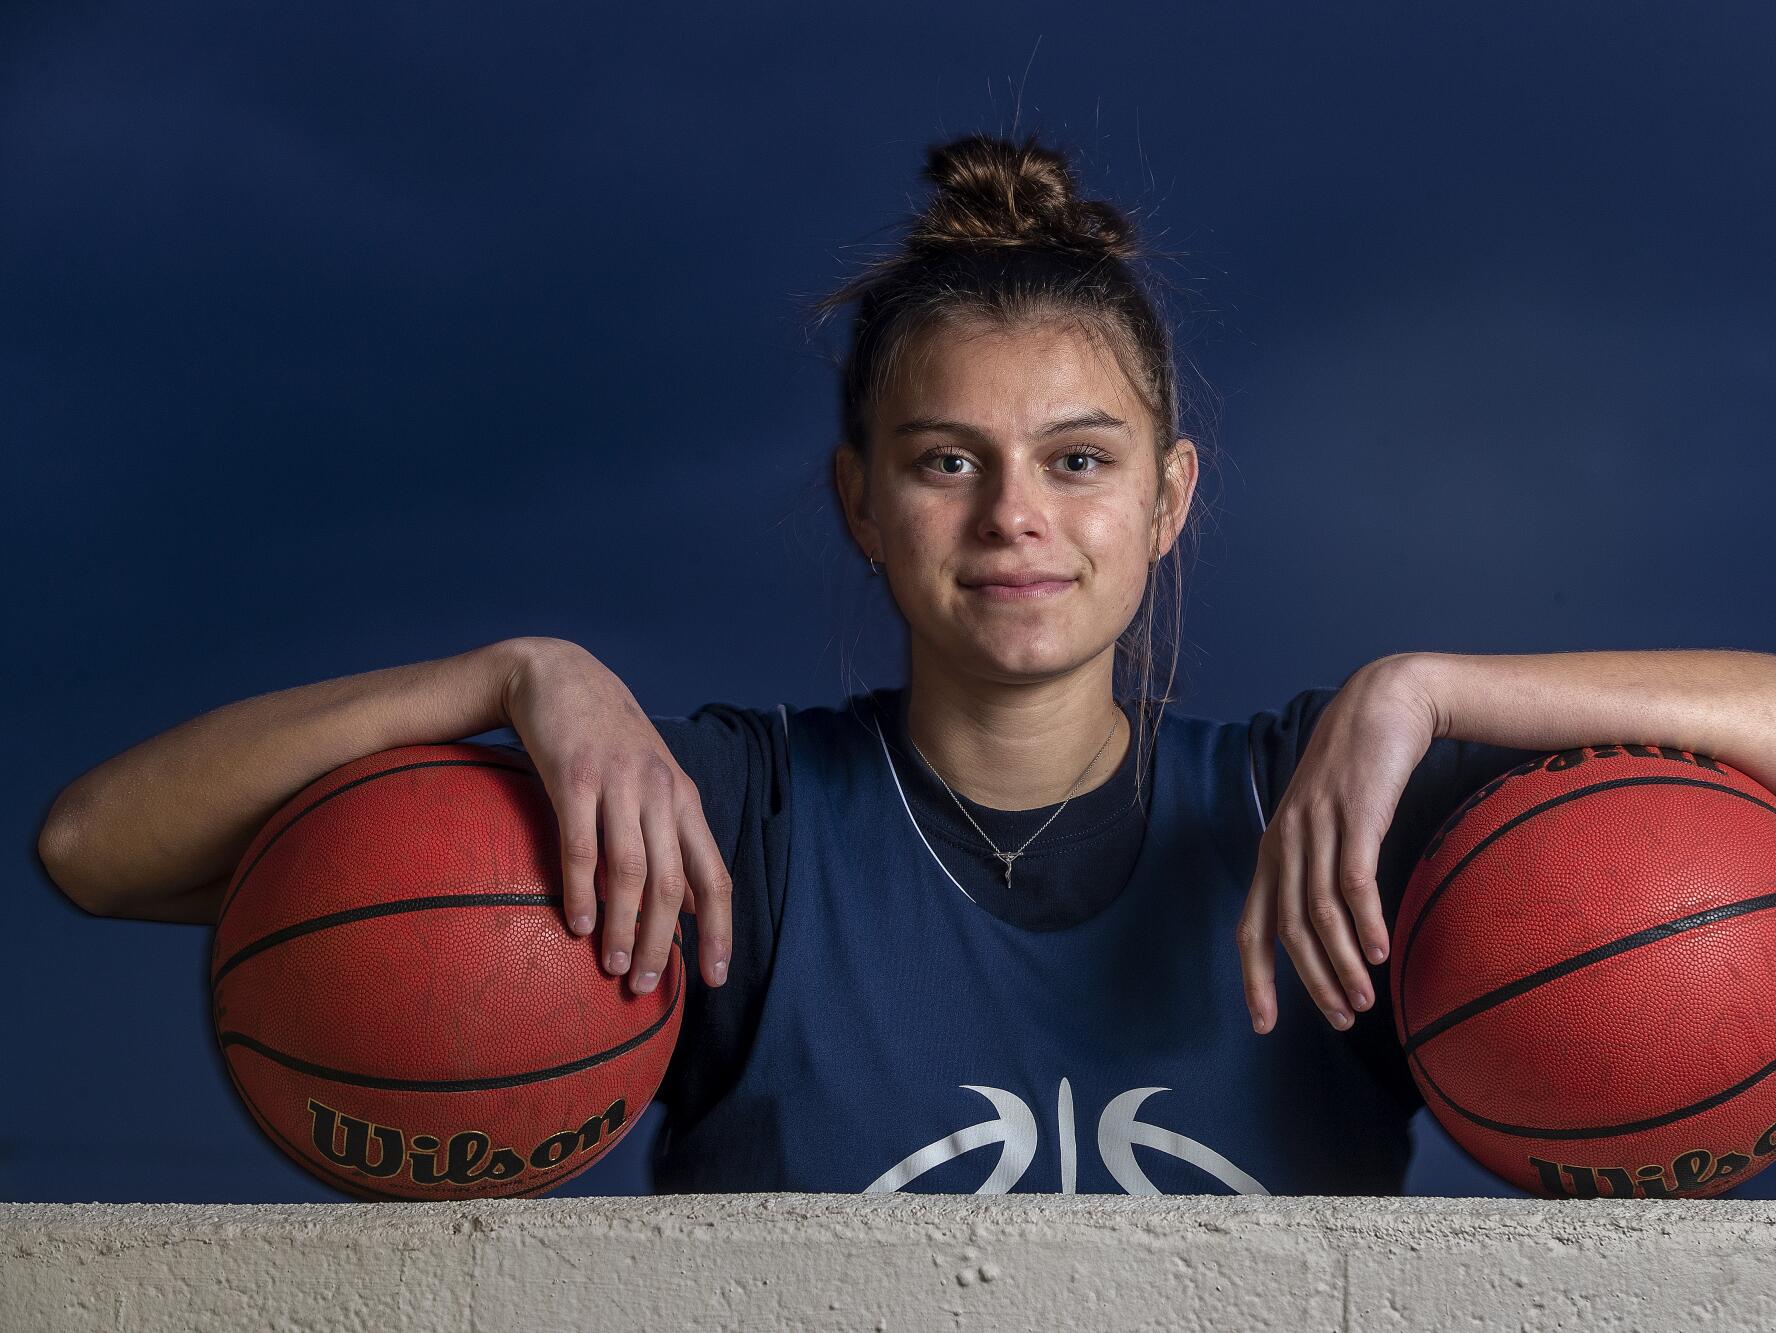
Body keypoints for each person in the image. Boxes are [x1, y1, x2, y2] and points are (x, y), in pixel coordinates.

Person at [37, 131, 1547, 1195]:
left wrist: (1425, 686)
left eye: (1078, 460)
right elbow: (96, 848)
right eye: (947, 458)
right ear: (861, 503)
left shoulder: (1323, 812)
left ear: (1169, 500)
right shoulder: (716, 823)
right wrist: (516, 673)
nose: (1015, 513)